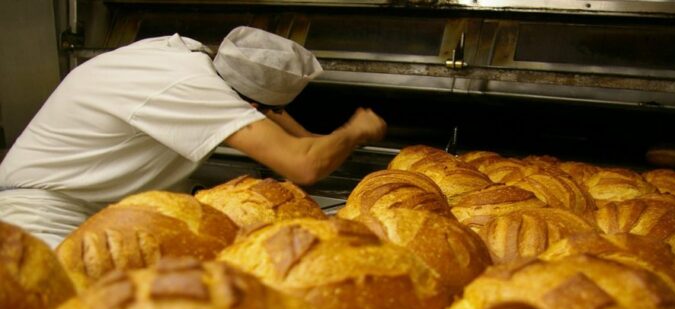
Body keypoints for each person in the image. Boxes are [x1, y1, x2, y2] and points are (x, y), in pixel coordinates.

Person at [0, 26, 386, 248]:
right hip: (40, 217)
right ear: (250, 104)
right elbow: (303, 165)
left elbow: (283, 123)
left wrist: (324, 139)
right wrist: (354, 131)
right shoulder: (192, 88)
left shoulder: (187, 57)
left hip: (93, 213)